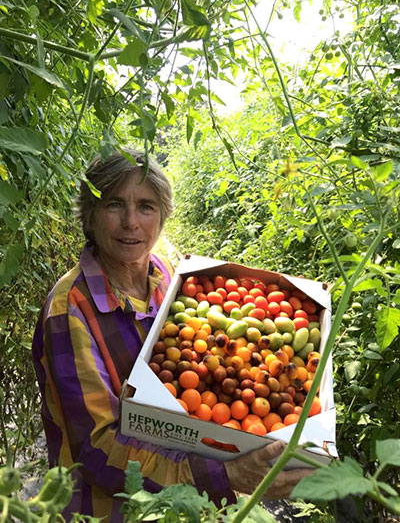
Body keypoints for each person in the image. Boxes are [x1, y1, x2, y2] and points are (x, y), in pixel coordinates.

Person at [32, 149, 311, 521]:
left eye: (146, 206)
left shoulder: (164, 274)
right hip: (108, 510)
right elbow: (95, 448)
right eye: (115, 204)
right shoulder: (69, 310)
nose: (131, 222)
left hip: (184, 502)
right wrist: (223, 474)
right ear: (91, 216)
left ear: (162, 217)